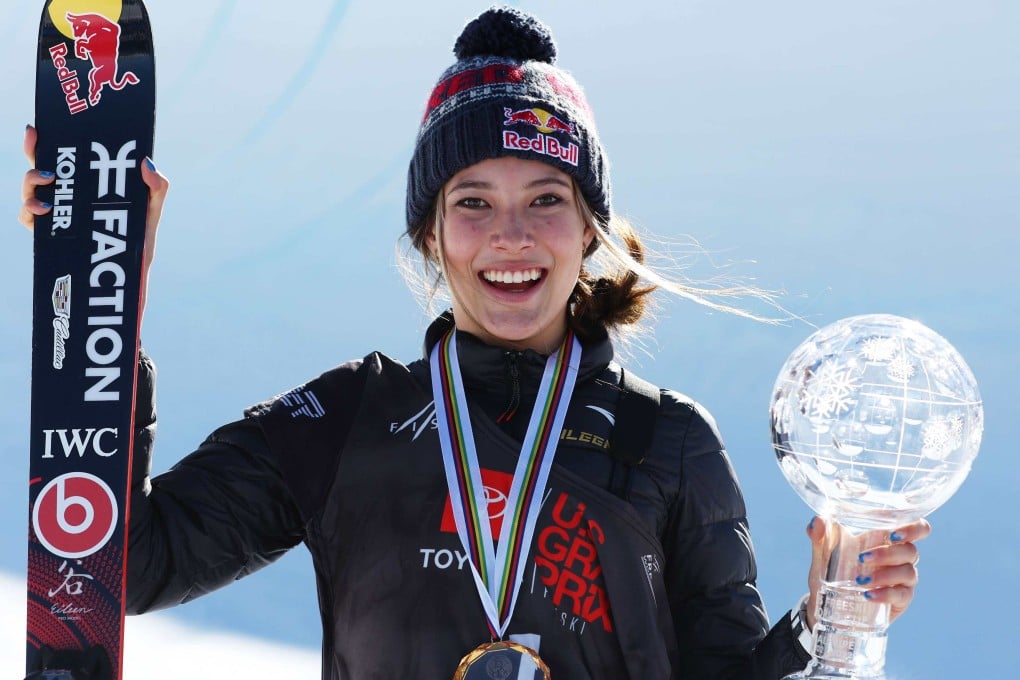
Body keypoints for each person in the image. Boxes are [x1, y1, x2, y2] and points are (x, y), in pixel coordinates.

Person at [19, 6, 929, 679]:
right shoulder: (344, 420)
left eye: (546, 200)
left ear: (589, 232)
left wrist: (828, 617)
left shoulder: (669, 442)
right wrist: (106, 296)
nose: (512, 236)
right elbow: (119, 571)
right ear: (429, 236)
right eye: (473, 203)